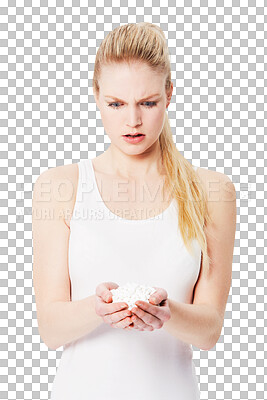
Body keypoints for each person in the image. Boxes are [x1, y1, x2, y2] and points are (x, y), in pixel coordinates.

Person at [32, 22, 236, 400]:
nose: (133, 121)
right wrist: (98, 309)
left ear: (169, 94)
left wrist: (167, 312)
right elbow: (50, 329)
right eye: (116, 104)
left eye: (148, 102)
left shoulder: (212, 191)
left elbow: (210, 331)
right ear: (96, 96)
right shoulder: (60, 187)